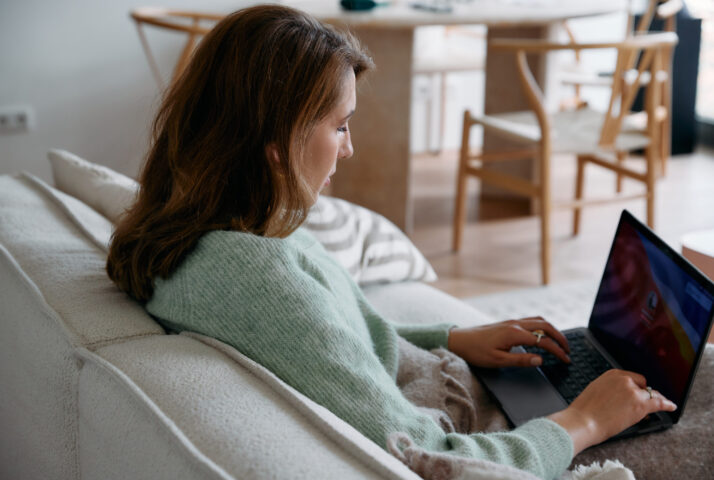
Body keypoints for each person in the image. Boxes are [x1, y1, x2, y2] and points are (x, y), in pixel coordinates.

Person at [106, 5, 676, 480]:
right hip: (484, 431)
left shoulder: (207, 231)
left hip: (446, 378)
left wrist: (453, 337)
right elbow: (436, 460)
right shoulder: (254, 278)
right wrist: (584, 423)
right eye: (340, 125)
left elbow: (326, 335)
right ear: (276, 141)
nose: (348, 149)